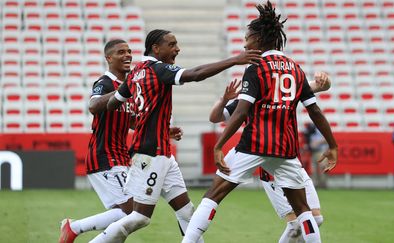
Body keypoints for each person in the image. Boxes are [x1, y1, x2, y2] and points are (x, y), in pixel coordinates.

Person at [181, 2, 338, 243]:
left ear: (258, 38)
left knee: (214, 194)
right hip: (285, 149)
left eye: (247, 38)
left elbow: (242, 112)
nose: (245, 44)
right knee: (304, 210)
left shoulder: (256, 69)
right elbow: (314, 111)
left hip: (253, 144)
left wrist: (219, 145)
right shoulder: (295, 70)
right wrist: (333, 145)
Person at [88, 29, 262, 243]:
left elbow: (114, 103)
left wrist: (149, 120)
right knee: (139, 217)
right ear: (156, 48)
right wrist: (235, 60)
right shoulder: (157, 69)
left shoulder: (135, 73)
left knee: (186, 212)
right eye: (172, 45)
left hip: (162, 153)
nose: (177, 49)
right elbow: (195, 74)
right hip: (149, 153)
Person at [58, 39, 184, 243]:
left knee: (128, 214)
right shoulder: (105, 82)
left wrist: (164, 131)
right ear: (109, 58)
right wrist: (122, 91)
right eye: (120, 52)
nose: (127, 55)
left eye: (129, 51)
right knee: (132, 212)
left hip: (121, 156)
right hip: (103, 156)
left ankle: (75, 228)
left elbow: (130, 119)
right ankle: (74, 227)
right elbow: (94, 106)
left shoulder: (130, 87)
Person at [209, 72, 330, 243]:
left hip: (290, 159)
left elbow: (320, 86)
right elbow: (215, 117)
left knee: (315, 219)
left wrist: (325, 79)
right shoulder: (248, 96)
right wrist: (223, 99)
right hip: (270, 166)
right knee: (296, 222)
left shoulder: (285, 87)